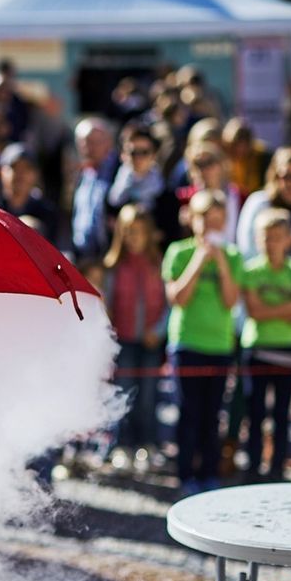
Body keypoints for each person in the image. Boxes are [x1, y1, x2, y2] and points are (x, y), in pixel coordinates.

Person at [163, 190, 242, 495]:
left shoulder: (233, 256)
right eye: (206, 219)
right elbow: (178, 298)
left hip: (220, 347)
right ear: (192, 220)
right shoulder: (178, 252)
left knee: (212, 415)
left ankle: (209, 473)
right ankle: (185, 474)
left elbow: (231, 301)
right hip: (187, 344)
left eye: (218, 220)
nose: (211, 225)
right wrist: (199, 259)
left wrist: (220, 261)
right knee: (188, 413)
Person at [240, 209, 291, 481]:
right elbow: (255, 311)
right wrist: (289, 307)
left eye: (277, 237)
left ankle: (277, 467)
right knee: (255, 411)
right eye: (266, 238)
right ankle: (252, 467)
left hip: (288, 350)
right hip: (257, 348)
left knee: (282, 413)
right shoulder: (251, 270)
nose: (271, 243)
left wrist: (272, 308)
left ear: (289, 240)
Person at [104, 205, 167, 453]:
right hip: (125, 341)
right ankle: (122, 445)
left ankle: (147, 444)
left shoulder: (158, 265)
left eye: (139, 232)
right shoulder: (114, 267)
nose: (134, 237)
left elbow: (168, 304)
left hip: (151, 341)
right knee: (124, 393)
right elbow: (107, 304)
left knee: (149, 396)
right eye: (128, 232)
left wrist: (159, 331)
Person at [237, 147, 291, 263]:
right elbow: (246, 248)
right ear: (275, 176)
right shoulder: (258, 203)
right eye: (285, 176)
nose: (290, 184)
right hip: (259, 275)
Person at [108, 125, 181, 248]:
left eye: (144, 152)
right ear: (123, 155)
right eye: (133, 152)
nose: (138, 158)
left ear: (154, 155)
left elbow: (171, 232)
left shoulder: (166, 193)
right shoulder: (113, 191)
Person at [71, 118, 118, 261]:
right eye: (82, 143)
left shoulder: (119, 170)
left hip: (109, 256)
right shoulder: (85, 173)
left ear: (108, 142)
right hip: (84, 258)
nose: (87, 148)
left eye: (92, 142)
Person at [176, 143, 242, 244]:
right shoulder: (182, 199)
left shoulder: (240, 197)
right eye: (197, 164)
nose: (204, 170)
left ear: (221, 164)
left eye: (209, 162)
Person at [0, 144, 57, 243]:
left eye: (27, 168)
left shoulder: (47, 213)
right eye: (14, 167)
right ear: (0, 172)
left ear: (36, 174)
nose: (21, 174)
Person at [222, 118, 270, 199]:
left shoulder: (263, 157)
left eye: (245, 143)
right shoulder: (223, 159)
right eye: (235, 144)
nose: (240, 149)